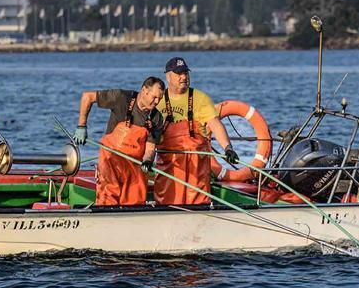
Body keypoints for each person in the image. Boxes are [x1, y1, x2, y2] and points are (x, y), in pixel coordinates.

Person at [154, 57, 239, 205]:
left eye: (186, 73)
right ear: (168, 76)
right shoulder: (158, 100)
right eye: (179, 73)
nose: (184, 77)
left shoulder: (200, 98)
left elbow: (216, 125)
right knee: (167, 202)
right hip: (169, 167)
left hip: (196, 168)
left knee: (198, 202)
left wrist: (228, 148)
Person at [72, 77, 165, 206]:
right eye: (154, 97)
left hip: (134, 165)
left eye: (159, 99)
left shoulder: (156, 118)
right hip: (111, 160)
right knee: (108, 195)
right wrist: (82, 126)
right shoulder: (121, 98)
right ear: (144, 90)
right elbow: (87, 97)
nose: (156, 102)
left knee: (135, 201)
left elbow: (150, 147)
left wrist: (148, 160)